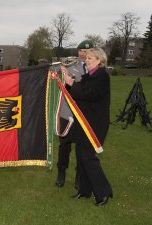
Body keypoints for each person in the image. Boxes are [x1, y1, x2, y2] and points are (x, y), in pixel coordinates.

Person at [62, 47, 113, 206]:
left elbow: (91, 95)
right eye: (87, 58)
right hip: (84, 123)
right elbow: (77, 94)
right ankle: (84, 191)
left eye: (91, 58)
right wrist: (67, 81)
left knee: (88, 158)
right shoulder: (88, 76)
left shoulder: (102, 76)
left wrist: (73, 84)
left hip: (95, 125)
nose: (87, 60)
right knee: (81, 156)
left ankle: (104, 192)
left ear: (100, 60)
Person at [55, 40, 94, 188]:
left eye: (87, 51)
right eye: (81, 51)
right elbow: (55, 72)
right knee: (64, 145)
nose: (83, 54)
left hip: (84, 114)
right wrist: (59, 70)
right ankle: (61, 174)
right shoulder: (70, 64)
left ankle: (79, 176)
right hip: (67, 112)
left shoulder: (94, 68)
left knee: (81, 147)